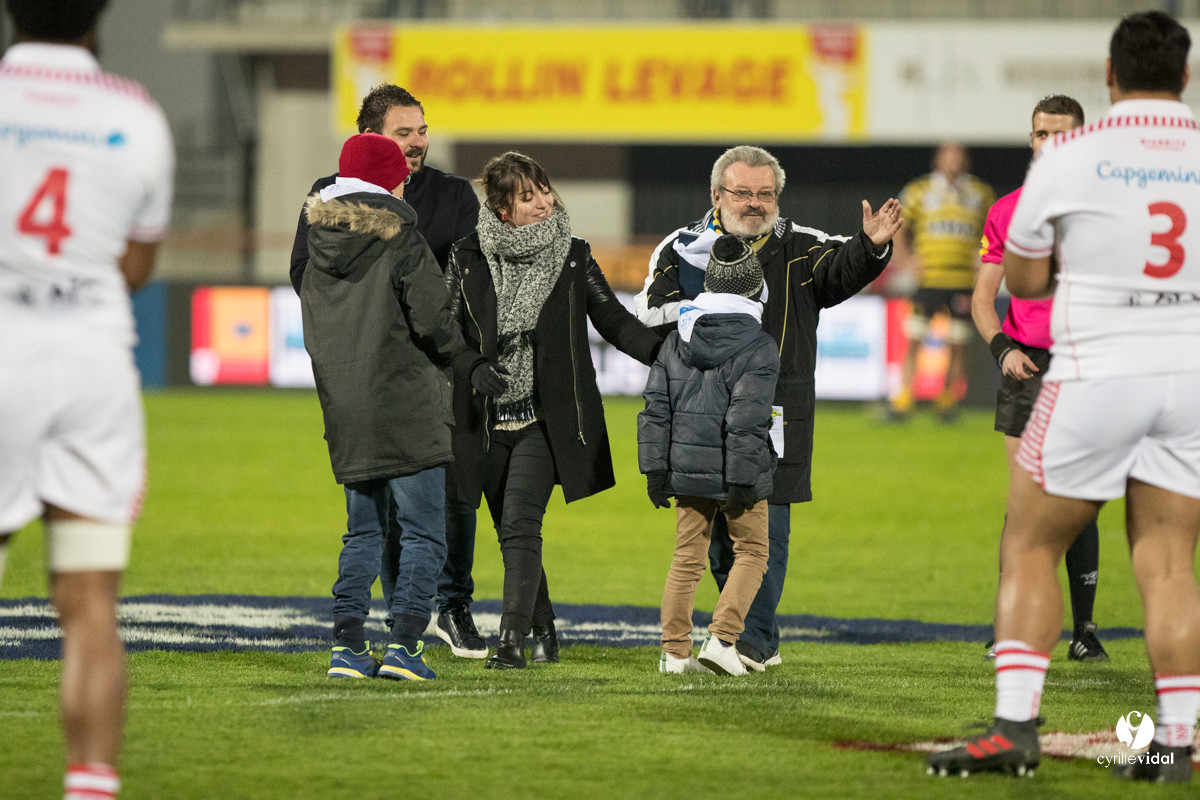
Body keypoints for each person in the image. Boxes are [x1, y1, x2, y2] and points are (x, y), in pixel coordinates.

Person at [929, 12, 1200, 783]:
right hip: (1189, 377)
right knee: (1171, 560)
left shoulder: (1073, 156)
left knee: (1031, 543)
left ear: (1110, 76)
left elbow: (1025, 283)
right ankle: (1173, 744)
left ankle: (1014, 729)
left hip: (1095, 372)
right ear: (1185, 78)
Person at [634, 145, 902, 671]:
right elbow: (648, 313)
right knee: (717, 547)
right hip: (704, 413)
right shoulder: (682, 248)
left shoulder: (802, 246)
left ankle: (746, 641)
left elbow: (841, 269)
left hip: (779, 414)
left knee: (765, 532)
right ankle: (761, 639)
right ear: (717, 195)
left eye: (765, 194)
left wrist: (870, 247)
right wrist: (696, 316)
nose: (754, 203)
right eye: (743, 193)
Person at [0, 1, 174, 797]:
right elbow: (135, 265)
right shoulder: (134, 114)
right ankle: (90, 785)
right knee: (90, 602)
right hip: (92, 364)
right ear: (98, 17)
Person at [291, 84, 489, 659]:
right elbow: (432, 310)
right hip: (414, 374)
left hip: (373, 383)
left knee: (391, 516)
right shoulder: (379, 220)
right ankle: (406, 639)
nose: (418, 144)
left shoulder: (446, 194)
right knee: (423, 519)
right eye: (405, 134)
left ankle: (376, 636)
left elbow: (471, 276)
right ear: (372, 139)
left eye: (423, 131)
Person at [446, 151, 663, 669]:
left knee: (521, 525)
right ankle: (544, 630)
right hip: (484, 420)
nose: (545, 202)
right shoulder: (467, 255)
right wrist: (474, 366)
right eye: (528, 196)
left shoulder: (573, 254)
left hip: (546, 419)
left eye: (545, 190)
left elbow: (613, 320)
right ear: (502, 210)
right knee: (508, 531)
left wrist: (667, 351)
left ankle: (510, 644)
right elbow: (444, 331)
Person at [972, 94, 1108, 663]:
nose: (1049, 142)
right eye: (1040, 133)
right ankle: (1012, 629)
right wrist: (1001, 348)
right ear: (1030, 140)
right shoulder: (1007, 210)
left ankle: (1085, 631)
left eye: (1060, 133)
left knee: (1078, 497)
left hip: (1087, 366)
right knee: (1025, 503)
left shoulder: (1107, 207)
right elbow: (982, 299)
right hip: (1027, 364)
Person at [639, 235, 779, 677]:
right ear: (754, 289)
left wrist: (655, 471)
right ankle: (722, 640)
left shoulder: (676, 337)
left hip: (685, 470)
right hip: (739, 470)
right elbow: (746, 421)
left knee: (686, 558)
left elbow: (655, 411)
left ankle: (674, 653)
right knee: (754, 552)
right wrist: (741, 481)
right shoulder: (759, 346)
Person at [888, 142, 995, 422]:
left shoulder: (980, 193)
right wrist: (904, 259)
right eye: (948, 156)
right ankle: (903, 400)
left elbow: (995, 227)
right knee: (913, 339)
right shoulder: (919, 190)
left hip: (962, 279)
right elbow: (898, 222)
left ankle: (947, 402)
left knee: (957, 342)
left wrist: (985, 257)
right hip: (928, 278)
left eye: (959, 156)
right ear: (938, 160)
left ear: (966, 161)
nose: (954, 161)